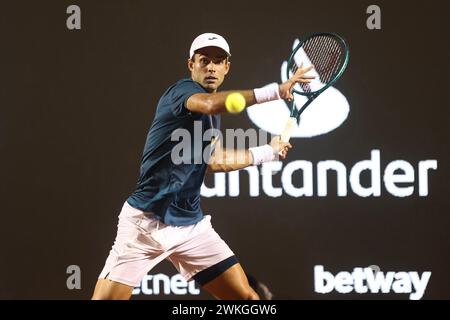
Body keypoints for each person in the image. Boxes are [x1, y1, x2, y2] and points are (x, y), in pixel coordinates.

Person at [92, 33, 314, 300]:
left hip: (191, 227)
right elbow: (210, 105)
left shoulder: (211, 119)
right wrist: (276, 91)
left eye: (218, 61)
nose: (211, 67)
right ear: (191, 65)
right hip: (145, 225)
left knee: (247, 299)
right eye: (204, 60)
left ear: (226, 68)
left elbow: (215, 161)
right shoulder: (182, 92)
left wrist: (268, 151)